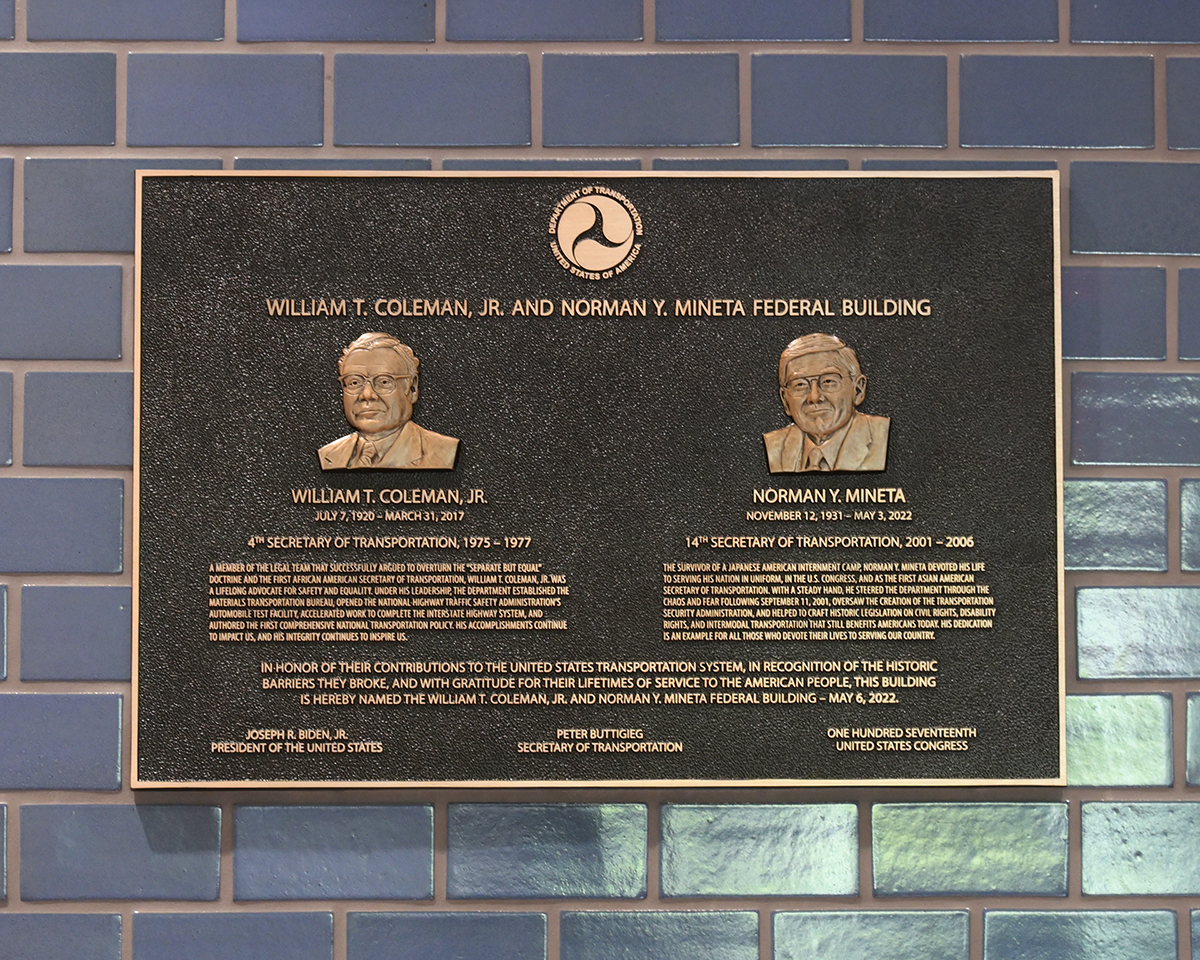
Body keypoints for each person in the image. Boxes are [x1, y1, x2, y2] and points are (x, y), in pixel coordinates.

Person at [318, 333, 459, 470]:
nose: (367, 395)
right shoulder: (328, 456)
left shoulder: (442, 452)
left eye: (384, 381)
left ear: (412, 389)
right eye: (354, 382)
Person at [763, 333, 889, 473]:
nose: (814, 397)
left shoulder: (881, 437)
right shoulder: (774, 446)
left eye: (828, 381)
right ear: (785, 400)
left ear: (858, 390)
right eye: (799, 385)